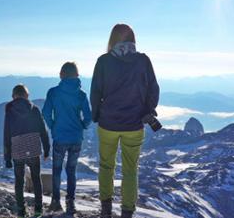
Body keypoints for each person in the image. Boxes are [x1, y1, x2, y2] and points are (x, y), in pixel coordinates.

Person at [90, 24, 159, 218]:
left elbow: (95, 92)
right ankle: (127, 212)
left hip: (108, 124)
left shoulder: (103, 61)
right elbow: (153, 89)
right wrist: (148, 111)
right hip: (134, 125)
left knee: (106, 166)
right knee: (130, 170)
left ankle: (106, 209)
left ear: (112, 39)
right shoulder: (143, 61)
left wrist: (96, 115)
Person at [42, 62, 92, 215]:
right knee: (71, 170)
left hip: (60, 137)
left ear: (61, 74)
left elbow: (46, 113)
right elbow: (89, 116)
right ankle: (71, 203)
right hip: (76, 137)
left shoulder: (53, 92)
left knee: (56, 169)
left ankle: (56, 201)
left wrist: (53, 127)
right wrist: (82, 126)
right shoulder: (81, 94)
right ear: (77, 75)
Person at [4, 84, 50, 218]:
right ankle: (38, 210)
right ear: (27, 96)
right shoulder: (34, 109)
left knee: (19, 181)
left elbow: (7, 133)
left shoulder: (9, 110)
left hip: (17, 148)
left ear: (13, 96)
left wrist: (7, 157)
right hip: (33, 147)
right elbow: (43, 130)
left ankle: (21, 211)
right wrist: (47, 148)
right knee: (36, 179)